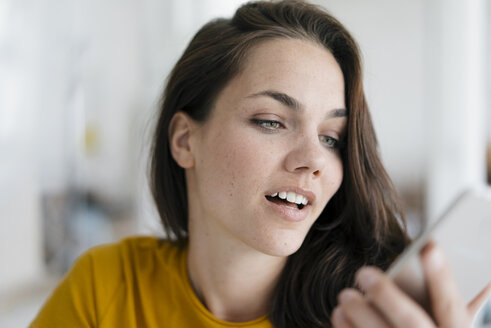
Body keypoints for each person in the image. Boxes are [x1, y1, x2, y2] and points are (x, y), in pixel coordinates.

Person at [31, 1, 490, 327]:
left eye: (332, 138)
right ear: (185, 140)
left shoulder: (368, 312)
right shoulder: (108, 286)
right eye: (272, 122)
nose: (313, 160)